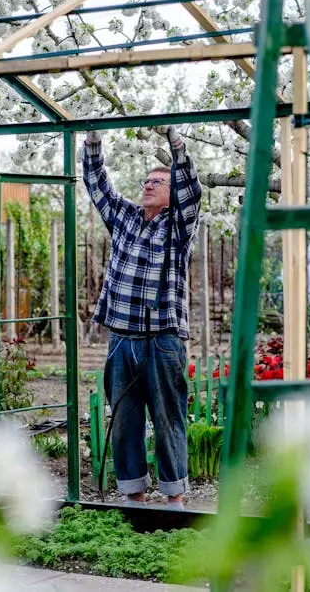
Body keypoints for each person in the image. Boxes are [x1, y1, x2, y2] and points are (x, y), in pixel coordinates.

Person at [82, 126, 202, 508]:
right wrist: (93, 143)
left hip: (162, 339)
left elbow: (191, 193)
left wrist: (177, 146)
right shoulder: (125, 217)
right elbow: (97, 185)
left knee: (168, 419)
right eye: (146, 180)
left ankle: (174, 500)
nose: (148, 185)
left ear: (171, 193)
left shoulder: (178, 227)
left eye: (157, 182)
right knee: (124, 420)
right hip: (122, 338)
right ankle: (134, 497)